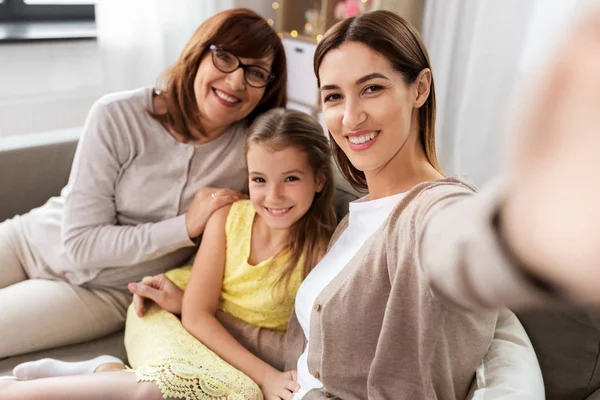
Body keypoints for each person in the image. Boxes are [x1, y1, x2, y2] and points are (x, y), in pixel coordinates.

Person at [98, 8, 600, 399]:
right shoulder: (351, 217)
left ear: (419, 88)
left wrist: (535, 226)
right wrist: (192, 307)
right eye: (334, 97)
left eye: (373, 88)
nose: (352, 116)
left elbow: (463, 249)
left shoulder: (432, 210)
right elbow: (308, 354)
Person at [0, 8, 286, 359]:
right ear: (198, 54)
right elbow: (80, 243)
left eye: (256, 72)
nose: (236, 81)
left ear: (267, 89)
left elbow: (303, 160)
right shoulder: (117, 115)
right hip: (28, 240)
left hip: (102, 292)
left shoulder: (253, 153)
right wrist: (185, 226)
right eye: (225, 57)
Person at [0, 108, 337, 400]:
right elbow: (194, 314)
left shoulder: (324, 250)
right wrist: (266, 376)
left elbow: (299, 346)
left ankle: (103, 369)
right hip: (168, 315)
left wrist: (266, 376)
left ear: (319, 180)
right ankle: (12, 391)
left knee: (237, 394)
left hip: (216, 337)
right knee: (175, 387)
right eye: (259, 179)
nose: (273, 196)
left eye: (291, 178)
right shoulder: (230, 217)